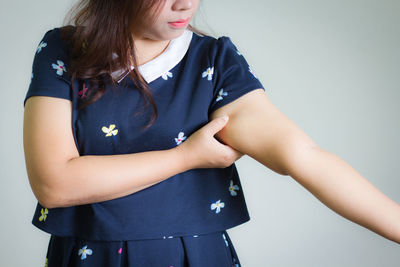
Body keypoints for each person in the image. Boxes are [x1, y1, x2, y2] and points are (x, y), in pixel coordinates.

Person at [22, 0, 400, 266]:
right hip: (89, 257)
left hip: (195, 257)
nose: (186, 4)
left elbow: (304, 156)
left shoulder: (214, 62)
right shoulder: (65, 50)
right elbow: (55, 184)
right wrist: (185, 157)